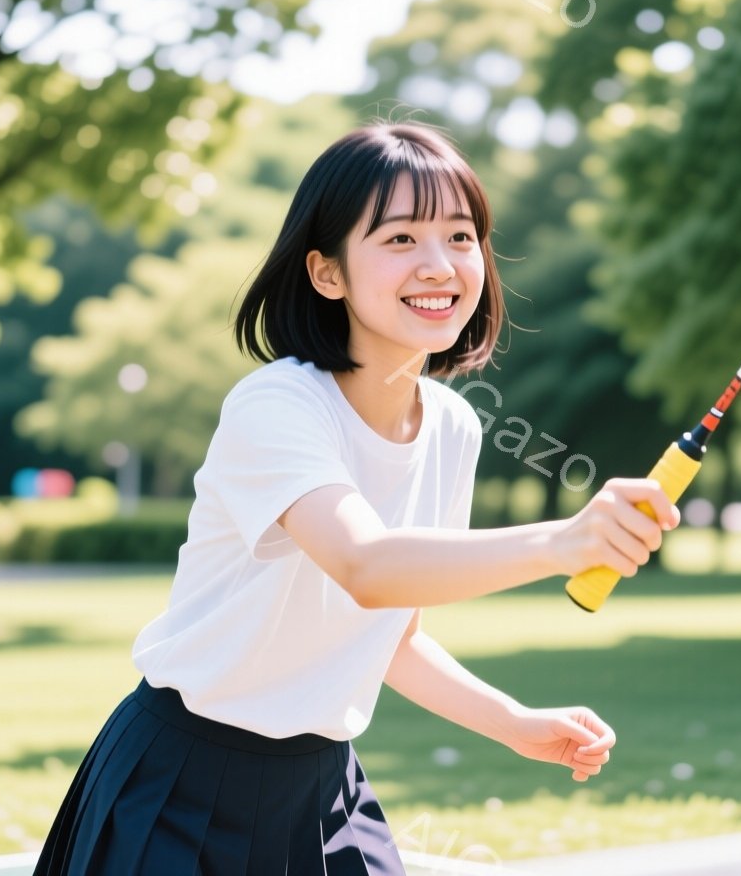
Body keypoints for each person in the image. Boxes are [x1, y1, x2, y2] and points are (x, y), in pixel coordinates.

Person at [33, 121, 678, 875]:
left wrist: (512, 722)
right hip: (182, 782)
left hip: (322, 788)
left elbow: (391, 631)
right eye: (400, 239)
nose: (439, 266)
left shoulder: (454, 427)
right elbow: (365, 565)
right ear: (327, 272)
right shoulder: (276, 406)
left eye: (461, 237)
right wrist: (563, 542)